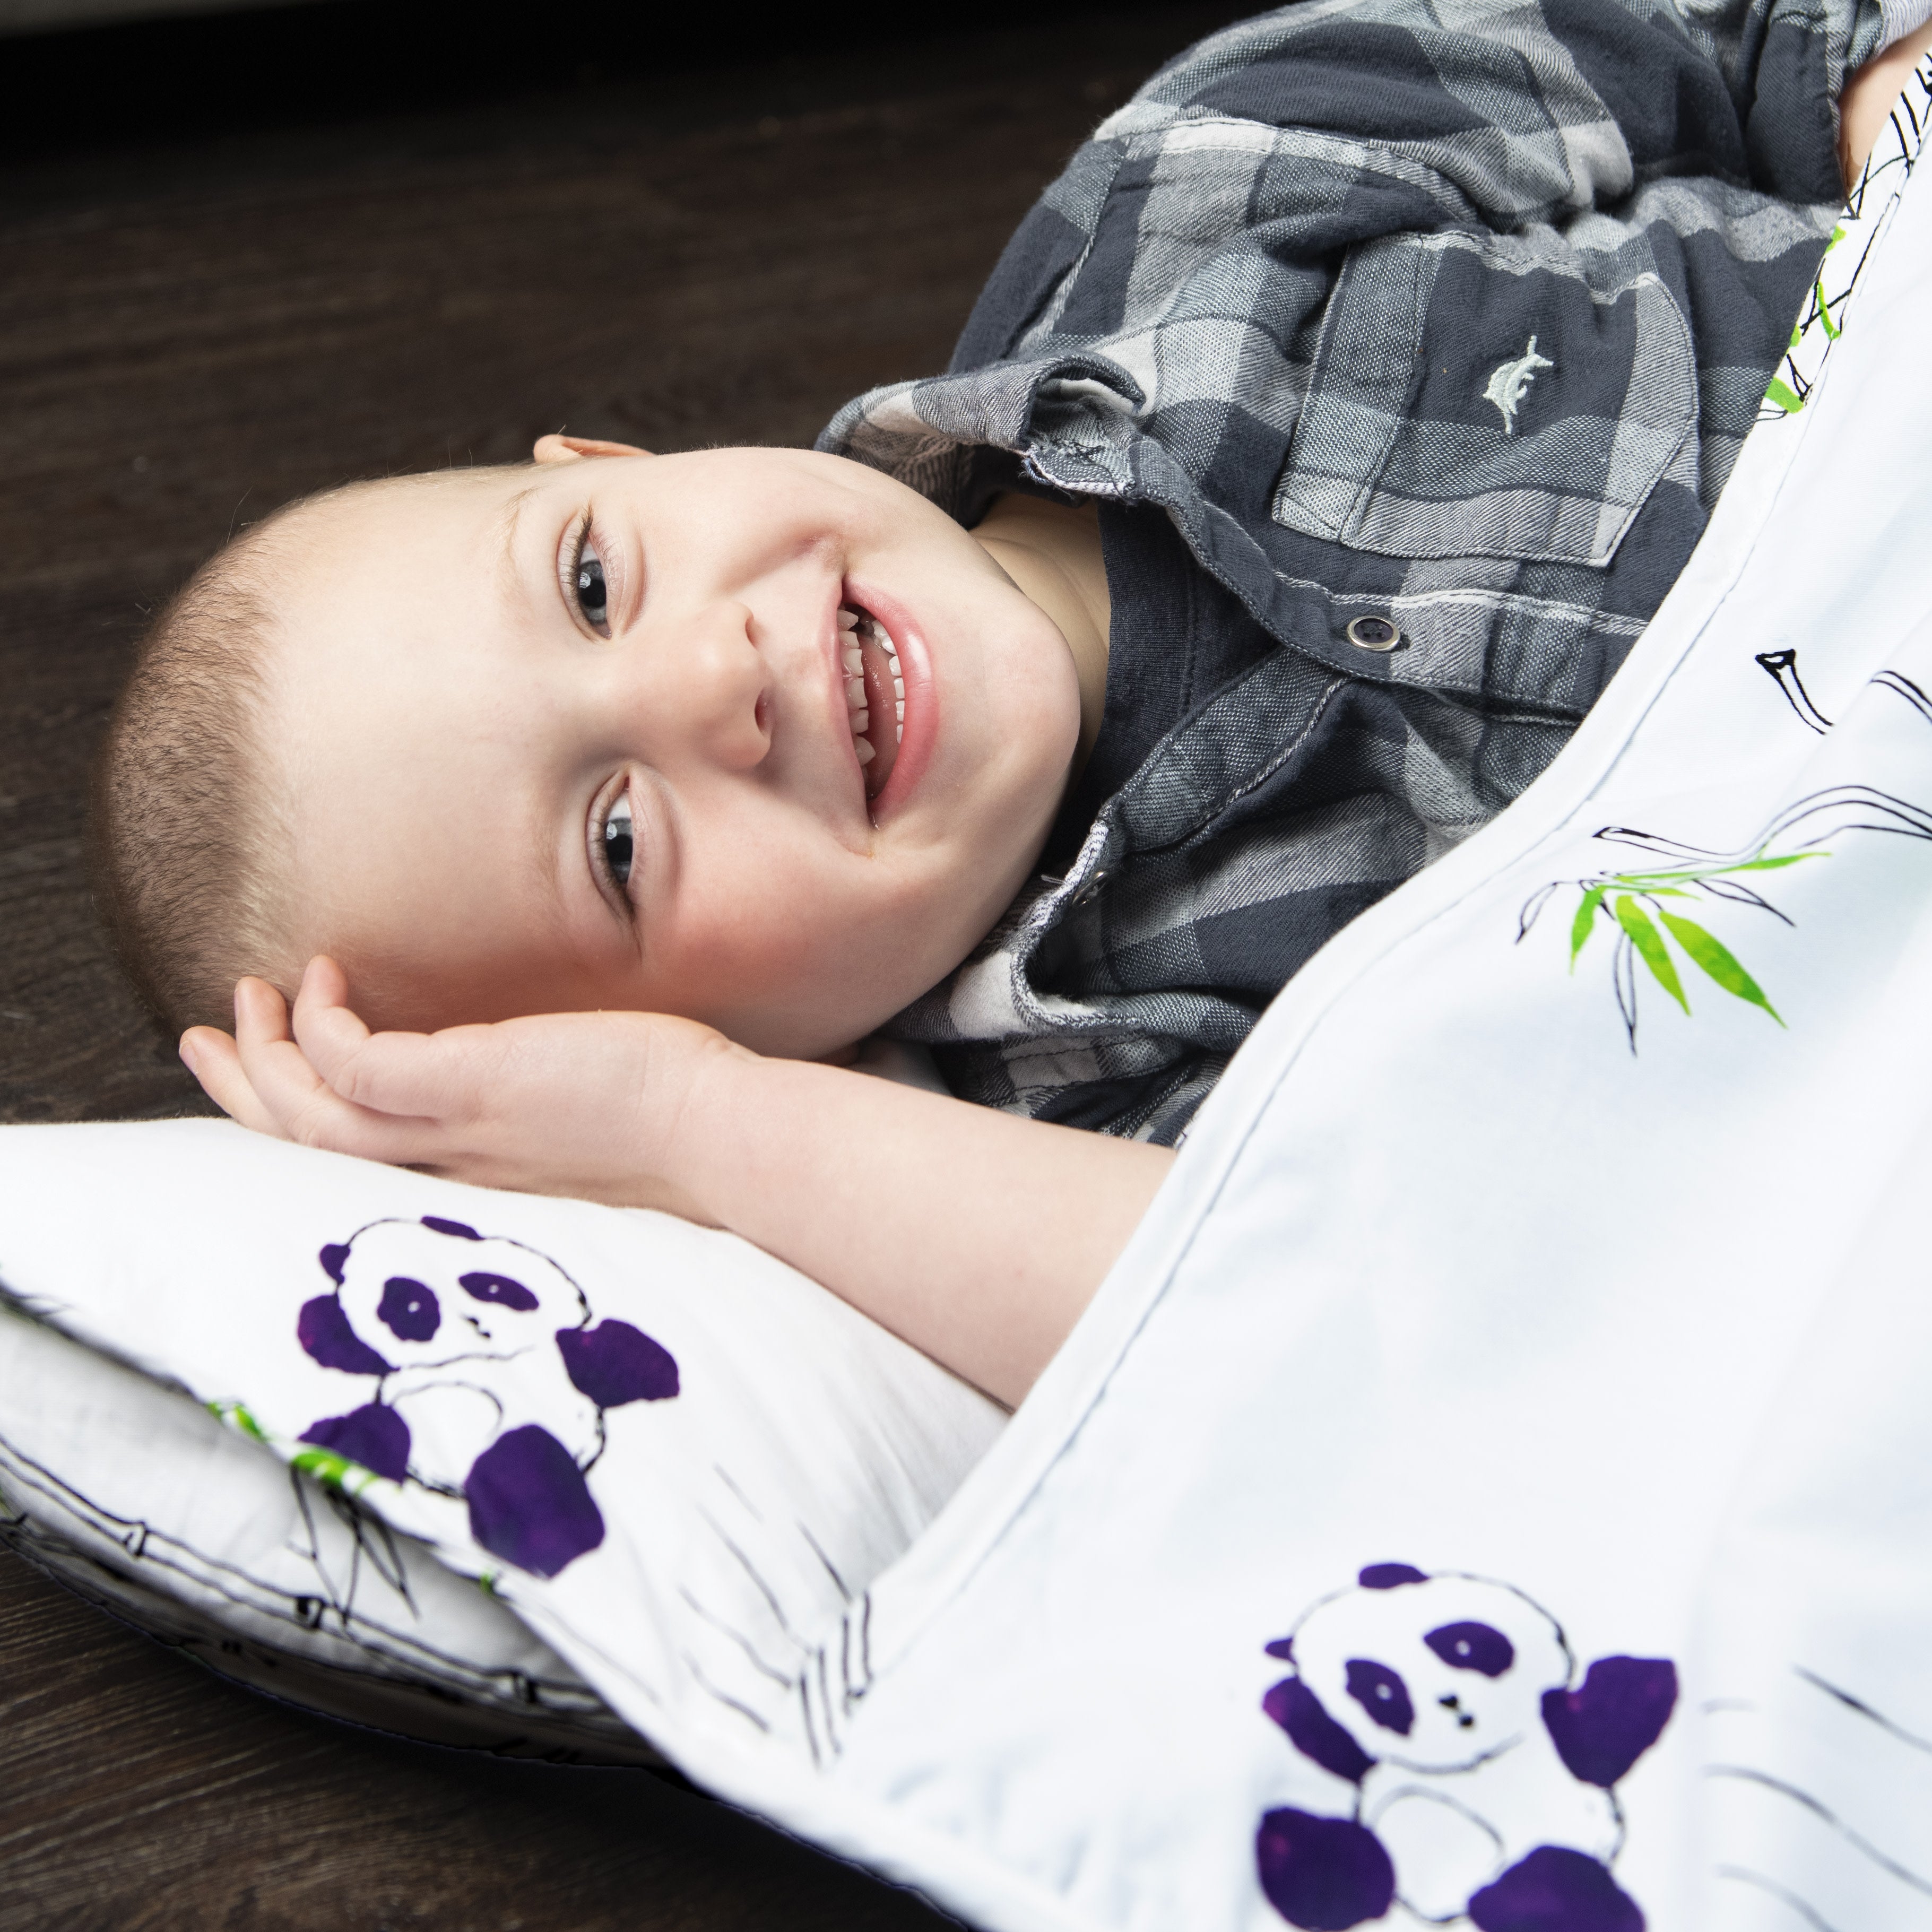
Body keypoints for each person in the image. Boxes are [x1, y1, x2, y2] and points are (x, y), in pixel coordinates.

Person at [93, 1, 1932, 1408]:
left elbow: (1708, 29)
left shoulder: (1198, 200)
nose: (710, 686)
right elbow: (1343, 1319)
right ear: (742, 1040)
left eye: (594, 580)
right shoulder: (1076, 1082)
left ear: (614, 453)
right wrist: (690, 1132)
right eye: (622, 840)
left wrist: (1882, 93)